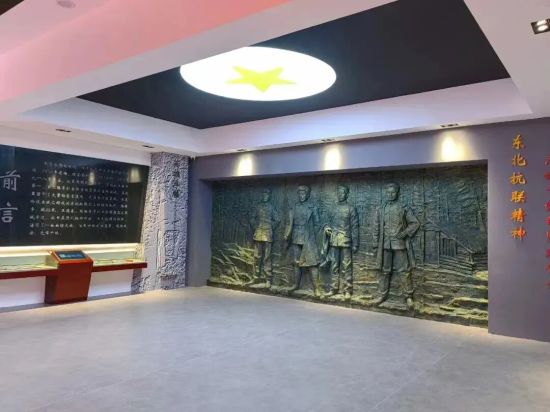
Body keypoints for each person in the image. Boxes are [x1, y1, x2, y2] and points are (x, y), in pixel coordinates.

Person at [372, 183, 419, 310]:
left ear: (397, 193)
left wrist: (404, 233)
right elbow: (376, 227)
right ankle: (382, 295)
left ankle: (408, 296)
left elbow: (415, 223)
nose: (390, 195)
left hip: (399, 244)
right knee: (385, 270)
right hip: (385, 244)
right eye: (388, 192)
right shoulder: (380, 209)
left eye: (393, 192)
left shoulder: (403, 207)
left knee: (404, 270)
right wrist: (375, 244)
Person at [284, 185, 322, 297]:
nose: (301, 196)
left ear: (308, 195)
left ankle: (316, 288)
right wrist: (286, 234)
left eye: (304, 193)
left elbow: (317, 224)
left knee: (312, 263)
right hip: (296, 237)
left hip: (308, 238)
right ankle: (296, 285)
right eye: (300, 193)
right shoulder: (294, 207)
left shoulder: (312, 207)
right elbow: (289, 223)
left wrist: (312, 236)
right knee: (296, 262)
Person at [323, 184, 359, 300]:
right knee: (334, 265)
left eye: (342, 193)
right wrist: (327, 228)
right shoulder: (332, 208)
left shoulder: (351, 209)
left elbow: (354, 227)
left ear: (346, 194)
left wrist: (355, 243)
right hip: (334, 240)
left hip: (346, 240)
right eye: (338, 193)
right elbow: (327, 222)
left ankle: (347, 289)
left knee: (346, 266)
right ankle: (333, 288)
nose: (340, 195)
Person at [250, 188, 279, 288]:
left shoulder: (271, 207)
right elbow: (252, 218)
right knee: (257, 256)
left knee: (267, 257)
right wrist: (256, 227)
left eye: (267, 194)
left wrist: (270, 227)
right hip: (258, 233)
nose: (265, 196)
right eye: (263, 194)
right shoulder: (258, 206)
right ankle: (255, 277)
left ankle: (268, 279)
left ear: (269, 196)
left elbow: (277, 219)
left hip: (267, 234)